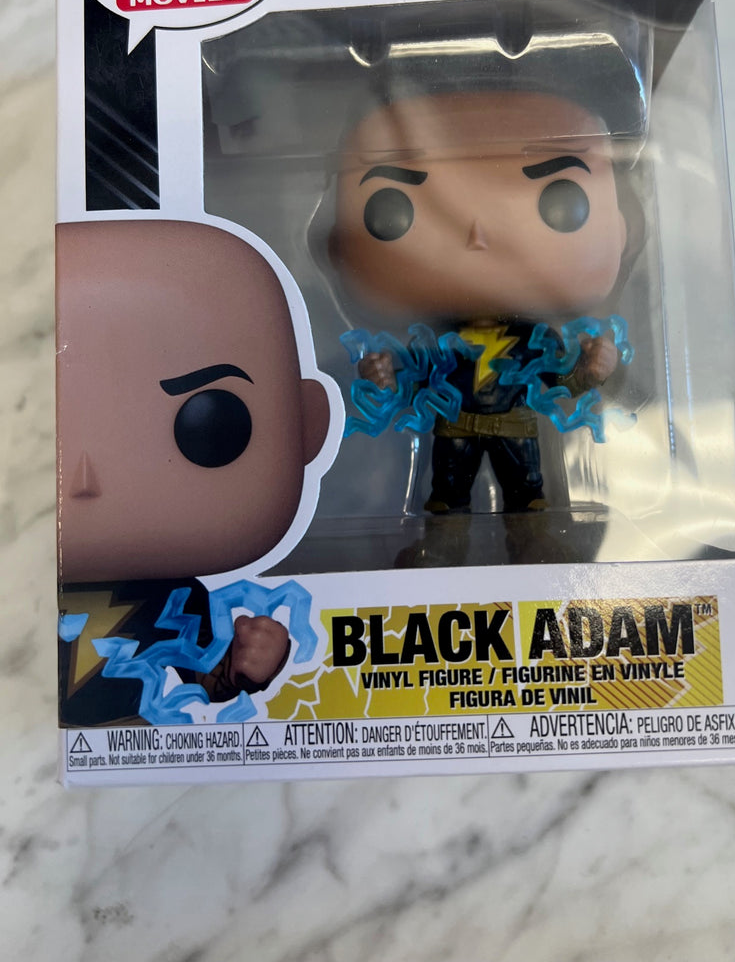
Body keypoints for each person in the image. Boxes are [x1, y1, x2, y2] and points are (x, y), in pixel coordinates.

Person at [57, 219, 334, 724]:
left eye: (208, 424)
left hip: (120, 743)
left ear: (305, 424)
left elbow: (209, 679)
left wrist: (248, 667)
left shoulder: (174, 594)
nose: (83, 479)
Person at [332, 90, 628, 524]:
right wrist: (383, 378)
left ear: (619, 231)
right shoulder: (438, 342)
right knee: (446, 503)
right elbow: (414, 381)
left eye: (562, 202)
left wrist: (591, 370)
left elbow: (560, 383)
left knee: (528, 502)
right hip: (455, 432)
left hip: (516, 431)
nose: (478, 234)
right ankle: (444, 549)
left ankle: (533, 544)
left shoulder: (535, 340)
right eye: (391, 208)